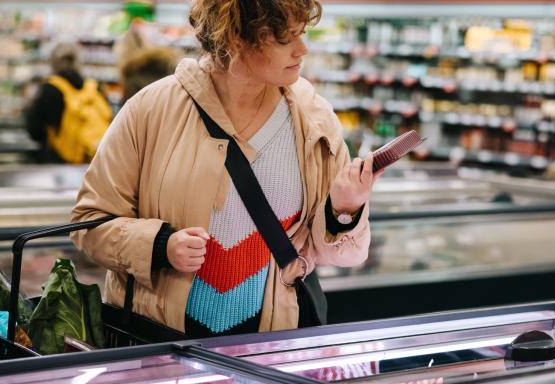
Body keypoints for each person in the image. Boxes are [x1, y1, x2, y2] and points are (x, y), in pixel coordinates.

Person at [71, 0, 379, 338]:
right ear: (235, 39)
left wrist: (346, 209)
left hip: (267, 345)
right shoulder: (150, 111)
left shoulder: (315, 122)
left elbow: (345, 255)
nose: (302, 50)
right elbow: (90, 222)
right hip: (158, 341)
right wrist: (160, 246)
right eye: (284, 39)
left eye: (301, 34)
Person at [25, 42, 112, 164]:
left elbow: (34, 131)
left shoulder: (50, 89)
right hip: (92, 162)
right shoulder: (94, 87)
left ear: (52, 63)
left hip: (59, 165)